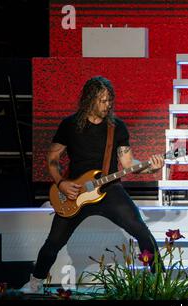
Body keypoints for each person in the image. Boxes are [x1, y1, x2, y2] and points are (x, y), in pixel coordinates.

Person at [20, 76, 165, 294]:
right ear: (89, 100)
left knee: (142, 232)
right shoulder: (69, 125)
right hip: (74, 192)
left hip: (109, 189)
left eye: (109, 101)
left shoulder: (116, 128)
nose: (107, 106)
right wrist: (61, 184)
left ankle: (160, 282)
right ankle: (35, 282)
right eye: (102, 101)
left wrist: (150, 167)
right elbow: (51, 159)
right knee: (53, 242)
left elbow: (127, 163)